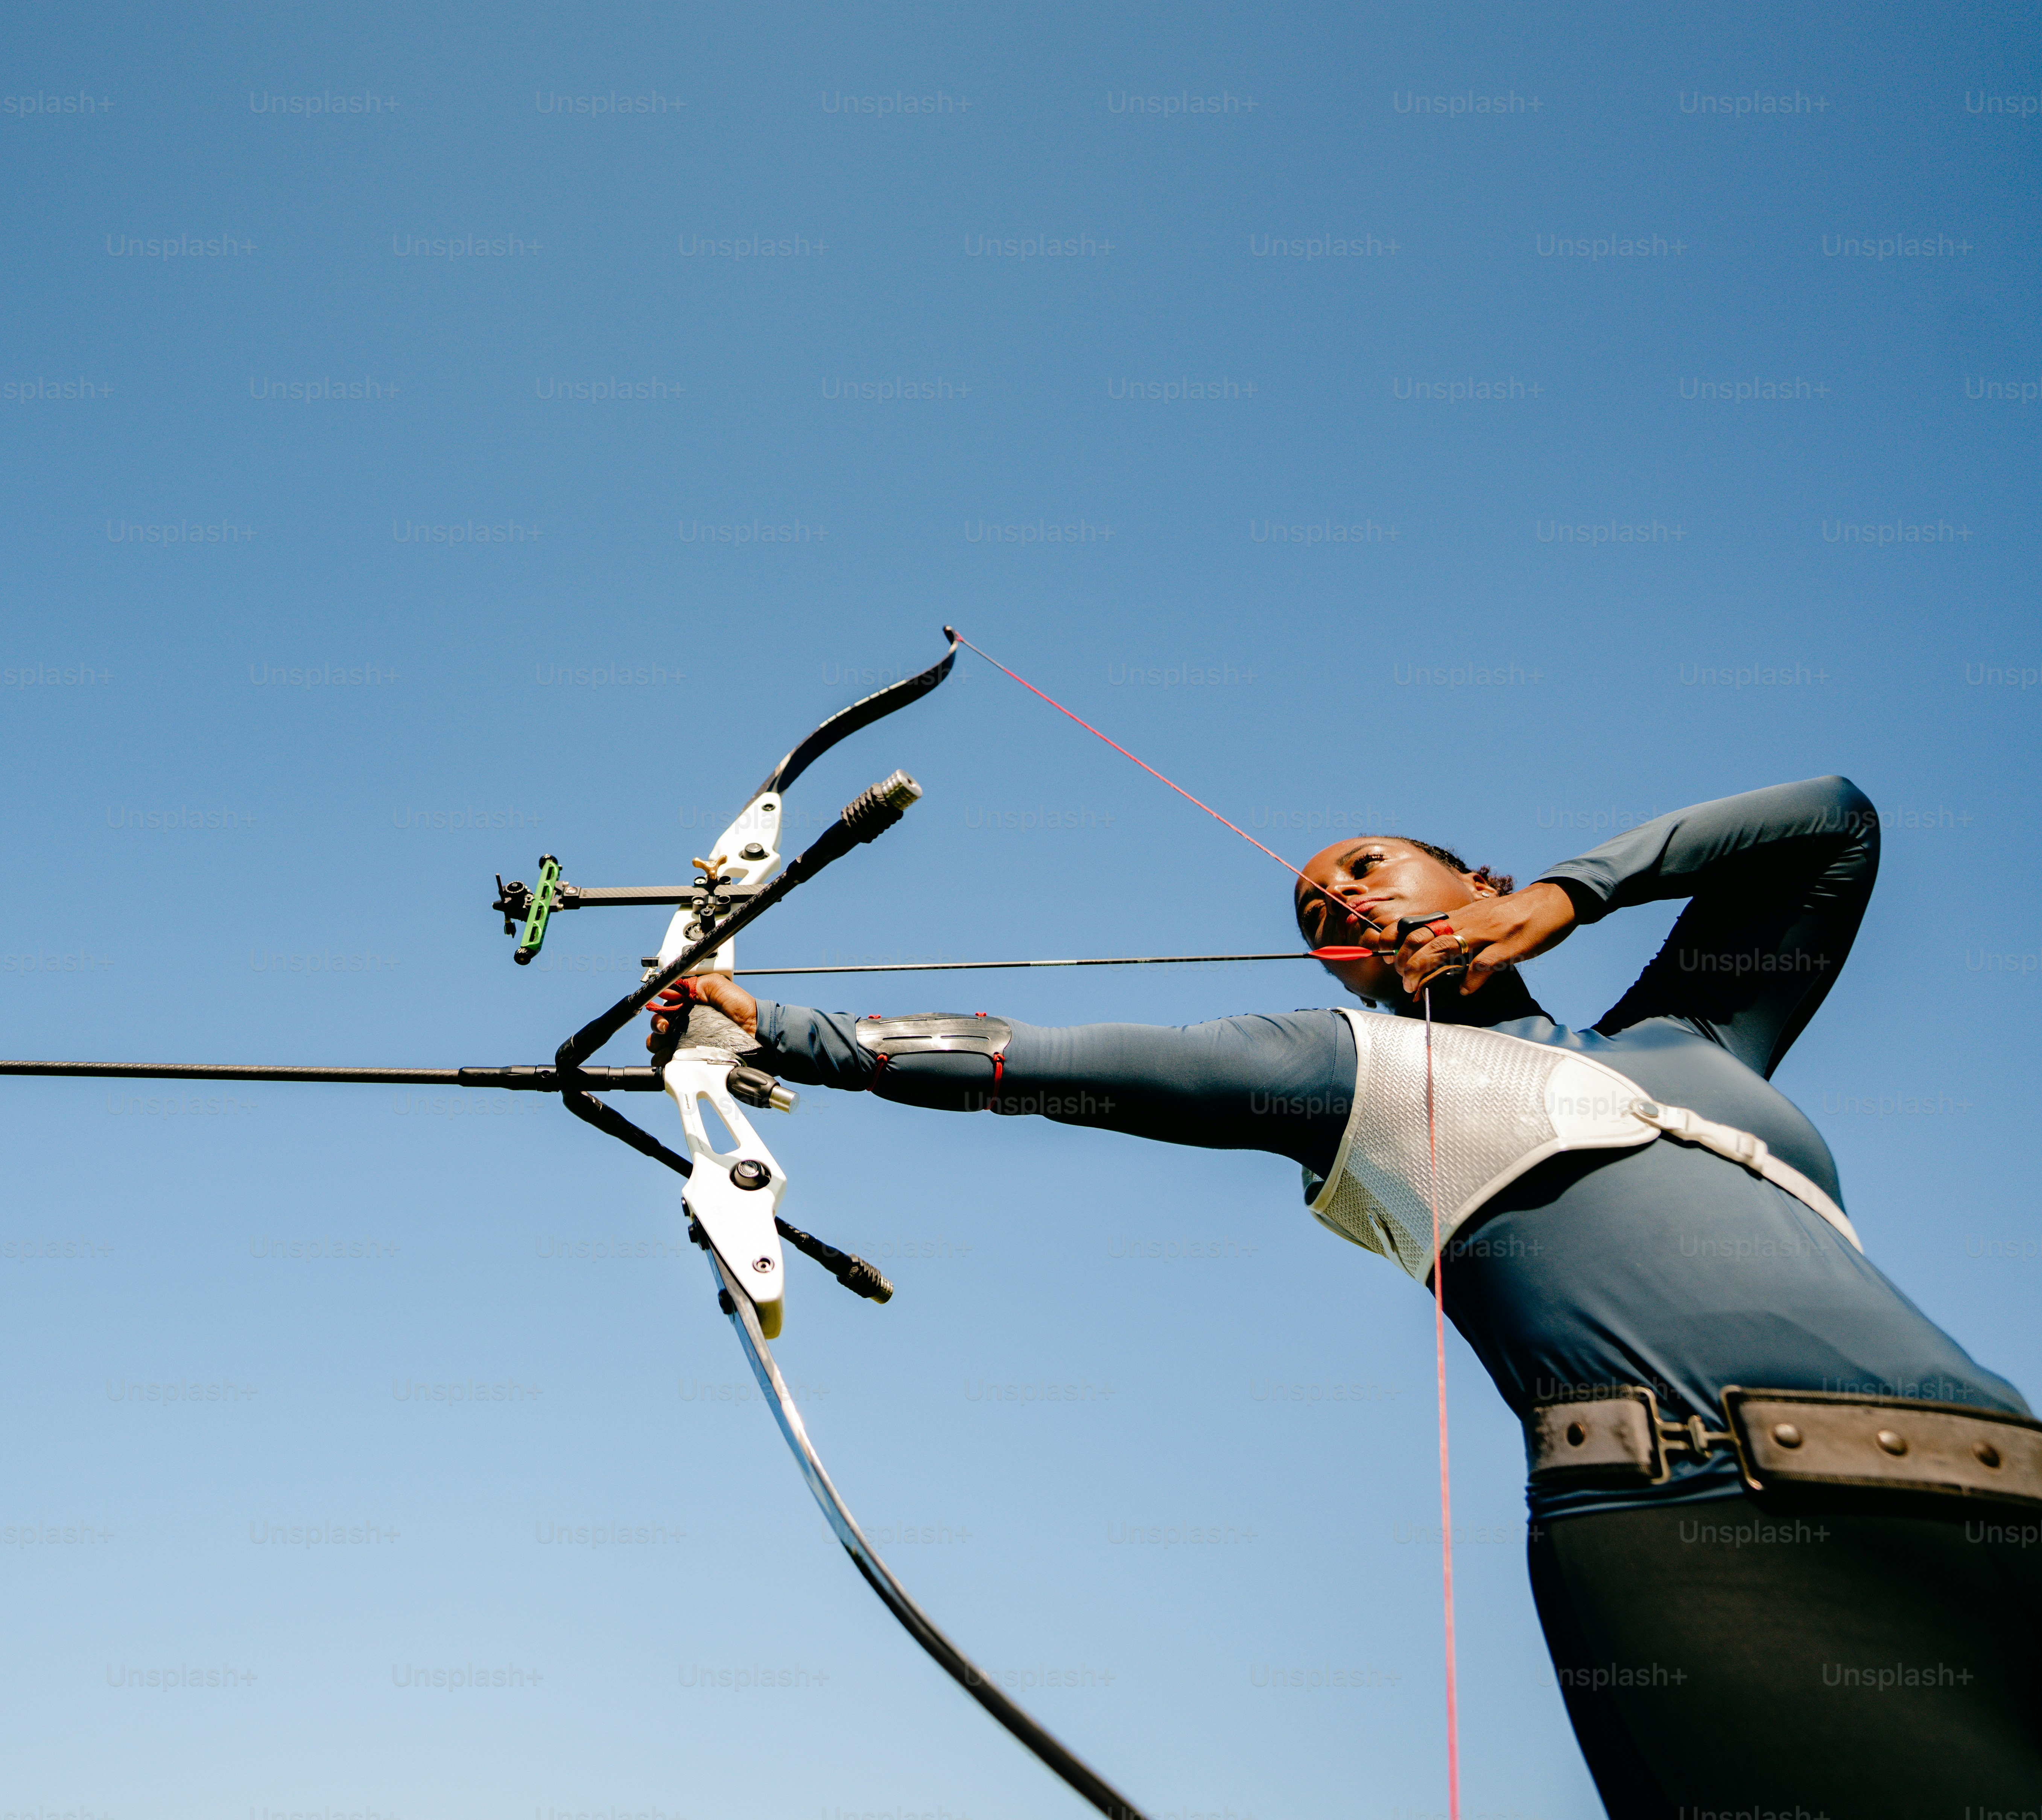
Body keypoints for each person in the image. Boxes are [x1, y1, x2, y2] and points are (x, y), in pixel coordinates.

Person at [652, 775, 2042, 1818]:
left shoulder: (1700, 1031)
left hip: (2008, 1480)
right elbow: (1045, 1057)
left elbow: (1832, 823)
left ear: (1470, 876)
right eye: (1321, 920)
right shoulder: (1343, 1069)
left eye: (1367, 873)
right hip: (1704, 1521)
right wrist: (774, 1027)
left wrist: (1569, 893)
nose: (1346, 911)